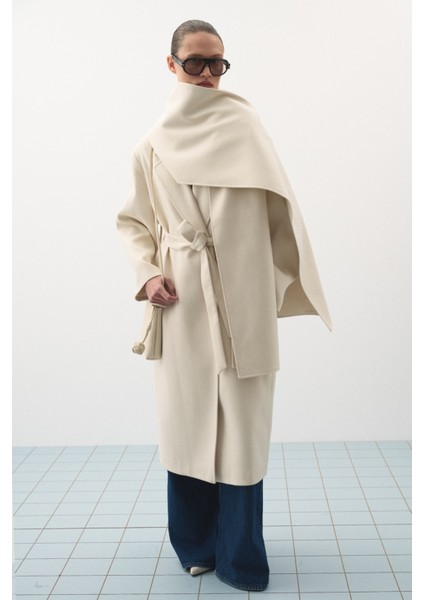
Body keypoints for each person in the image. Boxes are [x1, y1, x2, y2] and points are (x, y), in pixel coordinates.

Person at [117, 19, 331, 592]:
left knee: (243, 432)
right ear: (171, 65)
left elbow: (282, 215)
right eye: (195, 63)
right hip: (182, 299)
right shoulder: (150, 146)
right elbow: (133, 222)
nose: (208, 74)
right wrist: (148, 274)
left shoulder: (246, 128)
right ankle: (195, 547)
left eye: (217, 63)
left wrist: (273, 281)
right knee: (186, 424)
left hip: (243, 294)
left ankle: (241, 558)